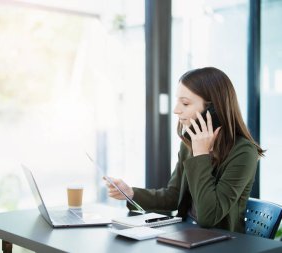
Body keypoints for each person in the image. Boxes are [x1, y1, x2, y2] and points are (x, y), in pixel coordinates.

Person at [105, 67, 264, 233]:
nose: (176, 110)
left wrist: (201, 155)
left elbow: (209, 216)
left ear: (213, 109)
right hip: (185, 236)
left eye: (185, 103)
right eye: (177, 101)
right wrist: (131, 193)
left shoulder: (243, 152)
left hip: (220, 243)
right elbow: (173, 196)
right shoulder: (189, 144)